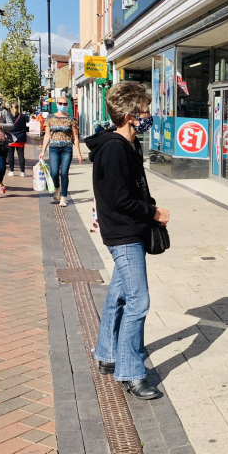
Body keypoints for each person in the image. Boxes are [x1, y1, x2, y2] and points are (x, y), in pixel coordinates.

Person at [87, 81, 169, 400]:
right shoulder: (114, 148)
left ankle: (107, 354)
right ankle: (131, 372)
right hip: (123, 233)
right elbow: (119, 199)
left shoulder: (129, 145)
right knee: (139, 301)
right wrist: (153, 212)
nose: (149, 115)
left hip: (128, 229)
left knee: (118, 295)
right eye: (145, 110)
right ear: (130, 115)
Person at [38, 96, 82, 207]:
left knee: (64, 173)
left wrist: (79, 152)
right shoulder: (50, 118)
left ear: (68, 105)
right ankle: (57, 187)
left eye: (65, 104)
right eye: (60, 103)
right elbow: (47, 135)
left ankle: (63, 197)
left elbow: (75, 137)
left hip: (67, 148)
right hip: (53, 149)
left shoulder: (72, 119)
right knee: (54, 173)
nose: (62, 105)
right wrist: (43, 150)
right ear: (56, 104)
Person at [7, 103, 28, 177]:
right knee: (21, 155)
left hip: (11, 137)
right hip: (21, 137)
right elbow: (27, 123)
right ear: (18, 108)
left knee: (10, 155)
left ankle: (11, 171)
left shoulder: (8, 116)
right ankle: (22, 172)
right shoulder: (23, 116)